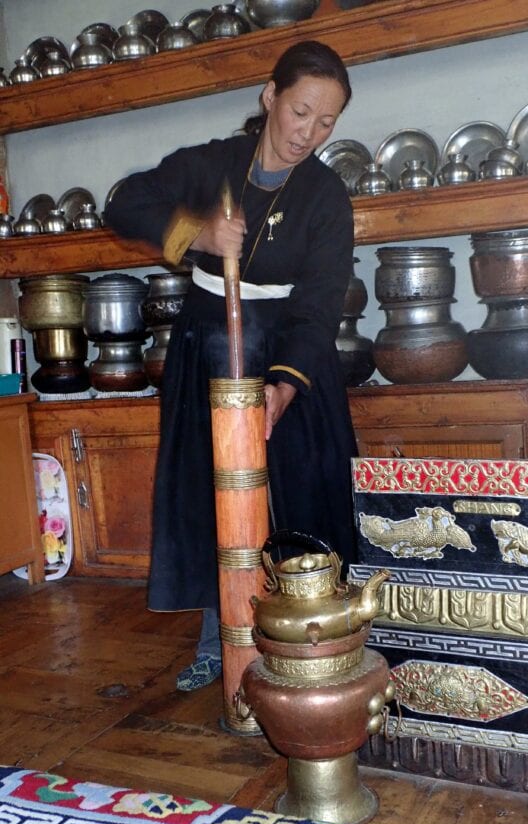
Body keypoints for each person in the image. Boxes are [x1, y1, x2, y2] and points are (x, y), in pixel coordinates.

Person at [104, 40, 358, 692]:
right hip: (211, 345)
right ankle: (221, 641)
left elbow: (320, 303)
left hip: (290, 356)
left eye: (327, 121)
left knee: (298, 494)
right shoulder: (213, 164)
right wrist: (197, 234)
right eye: (301, 111)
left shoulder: (327, 196)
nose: (310, 132)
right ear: (270, 97)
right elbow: (124, 200)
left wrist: (284, 385)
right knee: (213, 497)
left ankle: (307, 637)